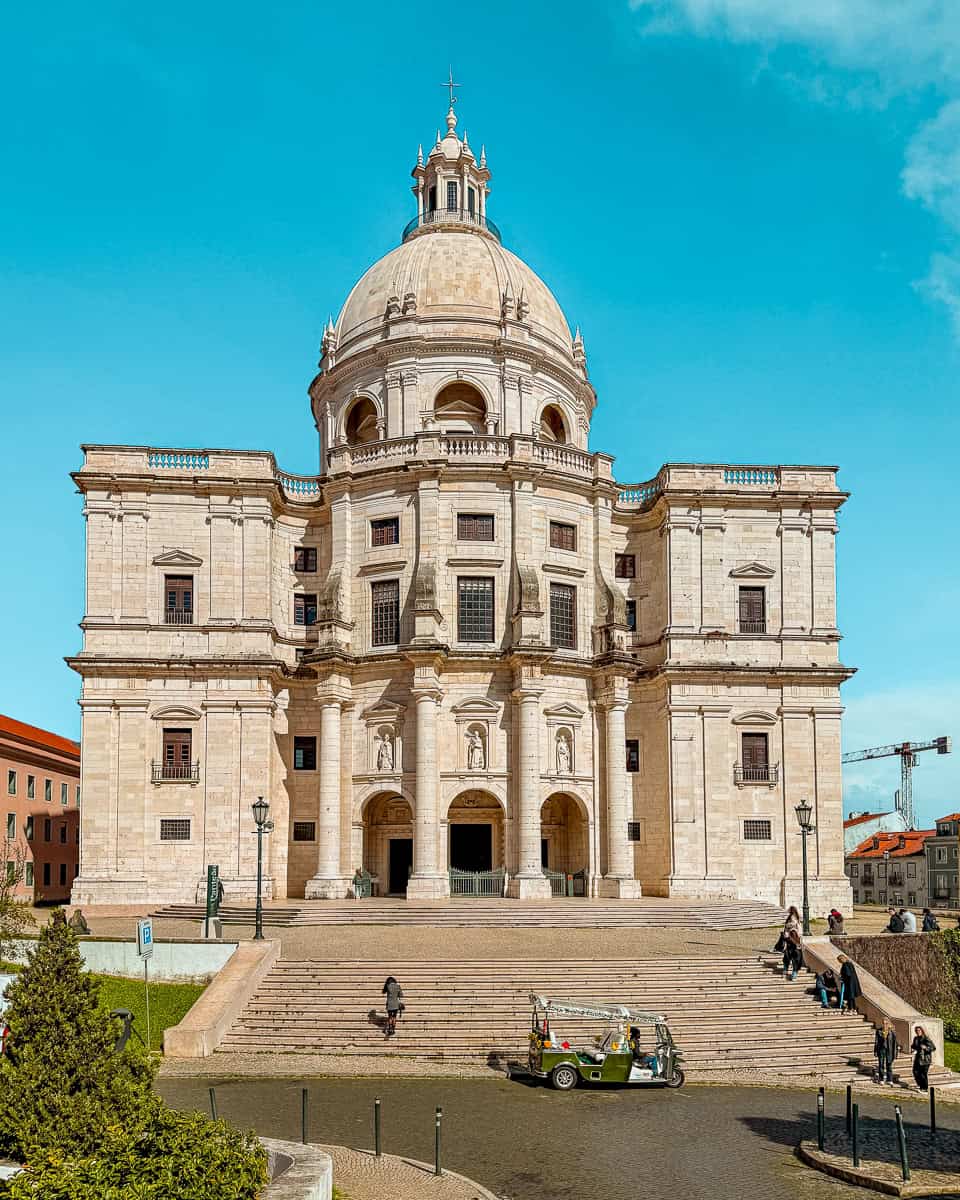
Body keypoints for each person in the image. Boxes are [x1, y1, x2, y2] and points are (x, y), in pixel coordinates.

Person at [911, 1026, 935, 1091]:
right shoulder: (916, 1038)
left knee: (923, 1074)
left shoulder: (926, 1038)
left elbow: (933, 1048)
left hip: (925, 1059)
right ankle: (920, 1084)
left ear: (922, 1031)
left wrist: (926, 1048)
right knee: (915, 1072)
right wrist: (913, 1049)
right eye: (916, 1031)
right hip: (918, 1058)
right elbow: (914, 1046)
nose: (918, 1032)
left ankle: (924, 1088)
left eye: (919, 1030)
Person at [874, 1019, 898, 1085]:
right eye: (883, 1023)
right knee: (881, 1064)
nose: (885, 1025)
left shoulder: (892, 1032)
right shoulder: (879, 1031)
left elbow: (895, 1043)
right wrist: (875, 1051)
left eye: (886, 1023)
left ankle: (889, 1079)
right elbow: (876, 1042)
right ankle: (881, 1079)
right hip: (881, 1049)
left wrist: (895, 1053)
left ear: (889, 1024)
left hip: (889, 1050)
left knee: (889, 1065)